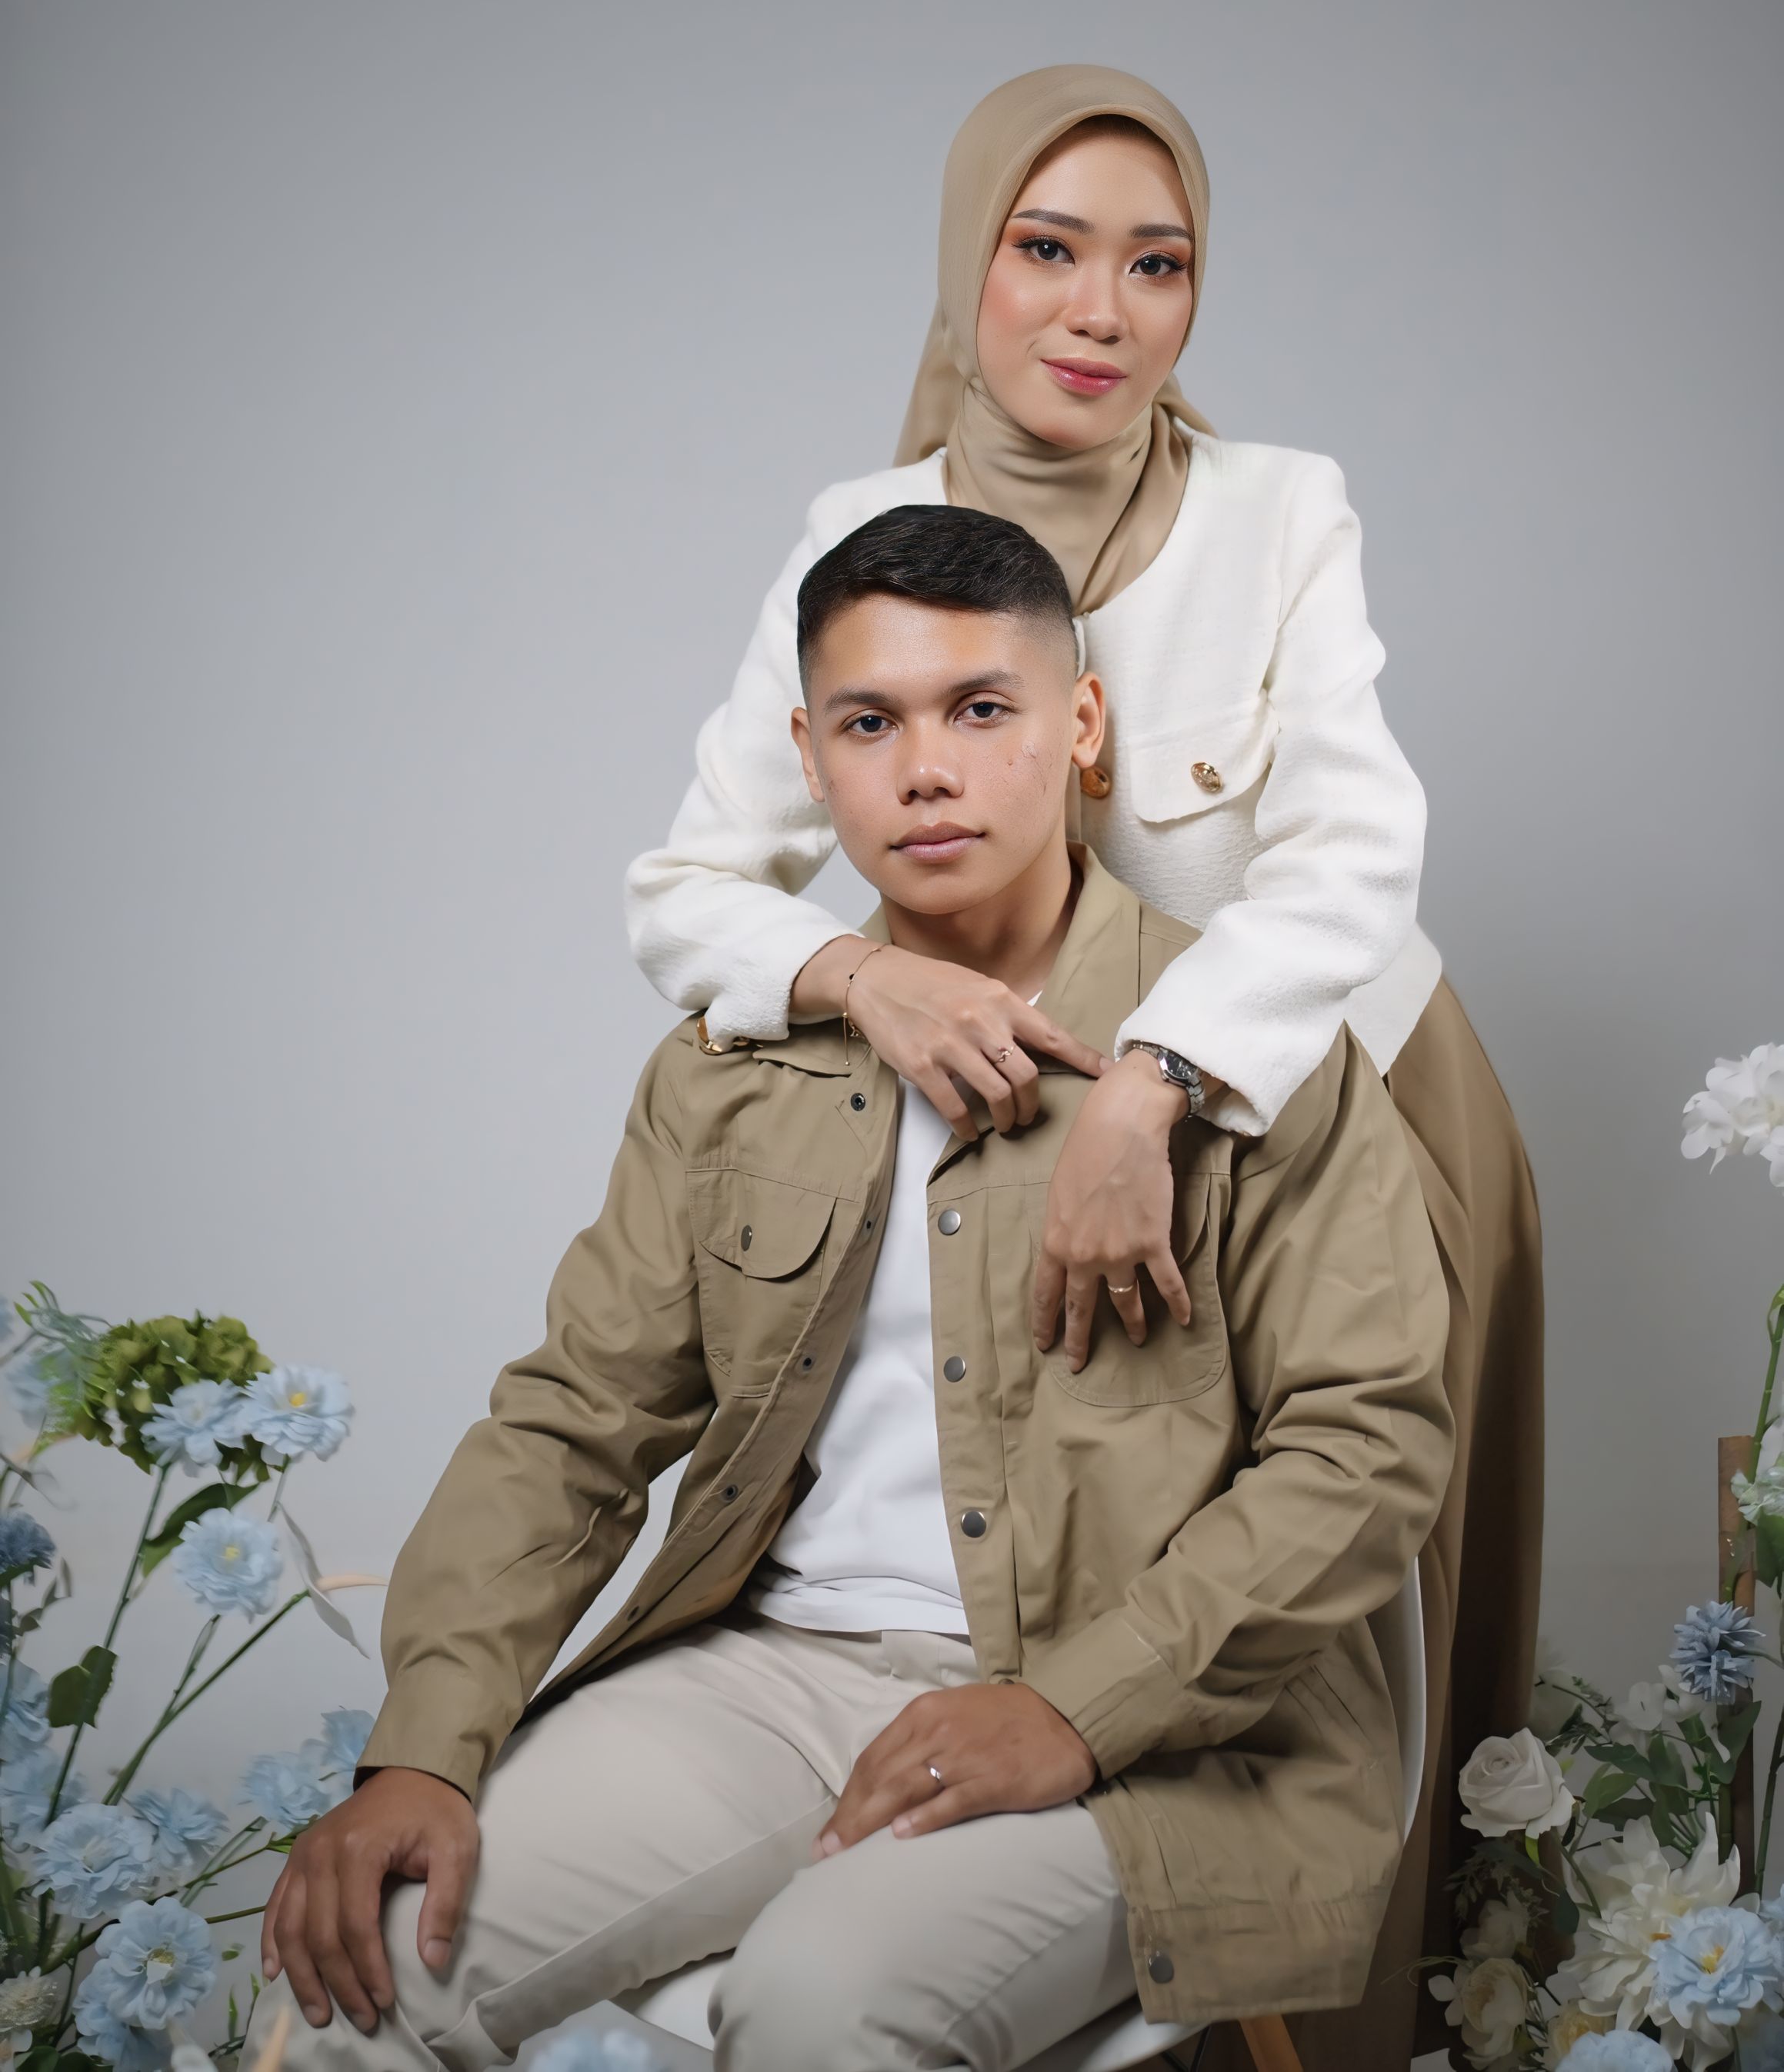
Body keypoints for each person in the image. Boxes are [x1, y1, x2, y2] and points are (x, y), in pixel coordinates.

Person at [263, 507, 1453, 2072]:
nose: (926, 770)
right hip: (770, 1678)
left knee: (822, 2011)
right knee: (365, 1978)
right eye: (870, 723)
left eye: (982, 708)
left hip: (1163, 1729)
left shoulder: (1247, 1050)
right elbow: (571, 1425)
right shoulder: (730, 1073)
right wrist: (420, 1751)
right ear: (811, 758)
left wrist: (1073, 1710)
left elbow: (1362, 1451)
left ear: (1082, 726)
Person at [624, 64, 1543, 2066]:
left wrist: (1149, 1085)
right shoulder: (860, 533)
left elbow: (1351, 856)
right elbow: (688, 886)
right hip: (1008, 1117)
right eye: (1045, 250)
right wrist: (863, 983)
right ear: (965, 265)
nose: (1099, 312)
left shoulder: (1279, 508)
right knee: (1052, 1561)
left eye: (1158, 263)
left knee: (1331, 1613)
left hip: (1322, 1097)